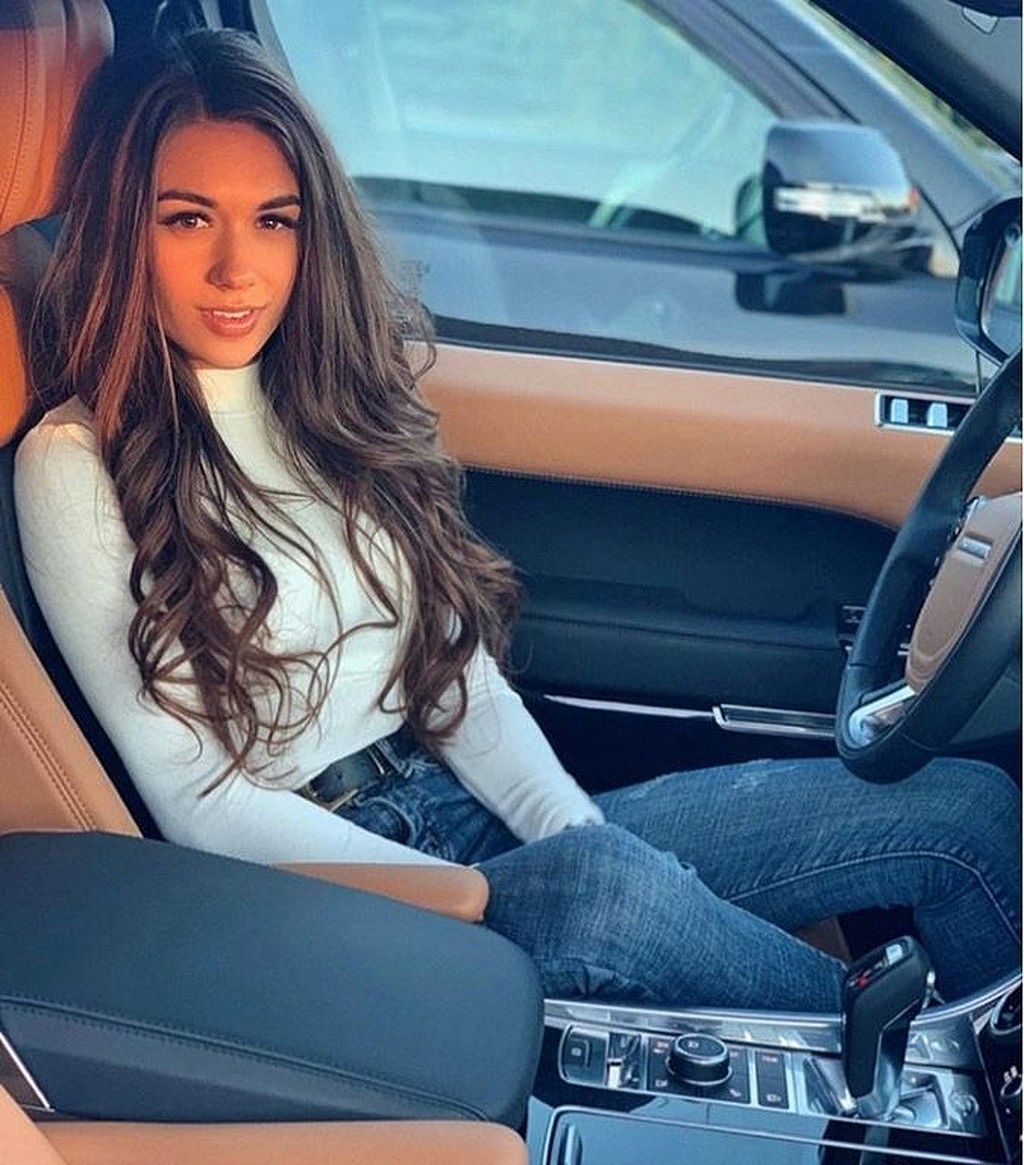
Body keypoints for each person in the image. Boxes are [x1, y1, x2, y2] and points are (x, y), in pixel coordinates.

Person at [14, 30, 1020, 1013]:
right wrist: (485, 897)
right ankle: (887, 1064)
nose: (238, 268)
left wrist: (578, 839)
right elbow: (202, 805)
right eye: (188, 219)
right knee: (607, 893)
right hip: (335, 885)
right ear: (122, 228)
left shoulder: (324, 400)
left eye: (274, 221)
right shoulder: (76, 463)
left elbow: (457, 678)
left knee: (962, 810)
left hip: (464, 813)